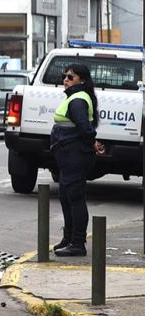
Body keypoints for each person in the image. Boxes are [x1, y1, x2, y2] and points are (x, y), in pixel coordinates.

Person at [51, 63, 105, 257]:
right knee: (66, 196)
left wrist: (92, 141)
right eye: (64, 76)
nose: (65, 80)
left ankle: (77, 243)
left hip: (75, 156)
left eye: (70, 77)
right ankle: (69, 238)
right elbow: (83, 129)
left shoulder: (78, 100)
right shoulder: (76, 97)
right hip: (70, 156)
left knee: (74, 198)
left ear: (81, 80)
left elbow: (84, 128)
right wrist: (92, 142)